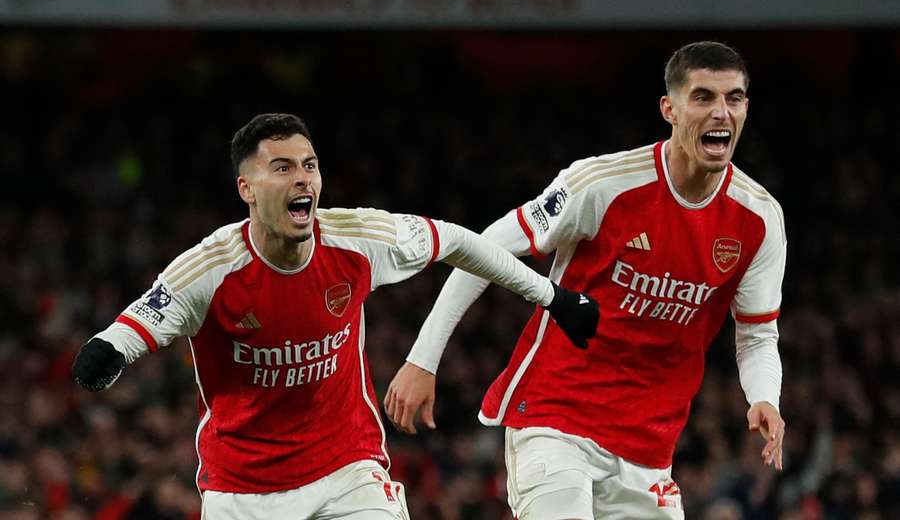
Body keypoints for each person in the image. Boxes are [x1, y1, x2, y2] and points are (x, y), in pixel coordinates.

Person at [72, 113, 599, 520]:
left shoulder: (356, 238)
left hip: (347, 468)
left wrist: (551, 295)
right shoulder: (210, 270)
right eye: (282, 168)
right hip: (244, 487)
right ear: (247, 189)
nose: (303, 179)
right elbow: (136, 325)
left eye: (309, 165)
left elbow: (459, 242)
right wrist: (108, 352)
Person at [385, 42, 787, 519]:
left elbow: (758, 334)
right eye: (703, 97)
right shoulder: (602, 184)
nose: (721, 112)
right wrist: (422, 359)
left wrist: (764, 397)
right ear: (670, 110)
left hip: (648, 447)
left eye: (734, 98)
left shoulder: (759, 218)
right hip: (556, 418)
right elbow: (486, 245)